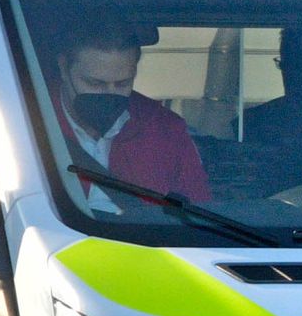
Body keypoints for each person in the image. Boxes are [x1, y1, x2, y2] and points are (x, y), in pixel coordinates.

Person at [49, 26, 216, 210]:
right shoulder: (26, 122)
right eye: (95, 83)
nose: (109, 94)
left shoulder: (165, 130)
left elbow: (198, 211)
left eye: (122, 83)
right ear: (64, 69)